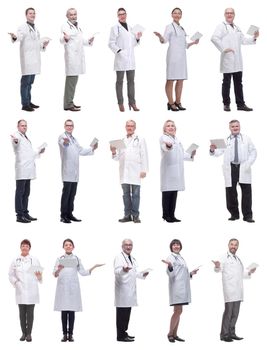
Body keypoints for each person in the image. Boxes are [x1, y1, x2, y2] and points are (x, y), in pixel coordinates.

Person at [53, 238, 104, 342]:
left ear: (73, 247)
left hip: (73, 289)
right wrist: (59, 269)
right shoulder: (59, 258)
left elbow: (83, 272)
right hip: (62, 289)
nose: (68, 246)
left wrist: (94, 267)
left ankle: (71, 334)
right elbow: (54, 274)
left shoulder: (76, 258)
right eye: (66, 245)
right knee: (64, 312)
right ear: (63, 247)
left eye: (70, 245)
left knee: (71, 312)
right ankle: (64, 334)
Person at [211, 8, 259, 112]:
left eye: (231, 13)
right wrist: (224, 48)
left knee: (238, 83)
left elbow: (243, 40)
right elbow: (214, 38)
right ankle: (226, 104)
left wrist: (254, 37)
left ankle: (240, 104)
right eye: (227, 13)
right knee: (226, 83)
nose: (229, 14)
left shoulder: (237, 27)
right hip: (227, 59)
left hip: (237, 60)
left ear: (234, 15)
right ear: (224, 14)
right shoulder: (221, 26)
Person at [210, 120, 257, 222]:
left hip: (243, 167)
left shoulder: (246, 138)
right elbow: (218, 153)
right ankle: (234, 214)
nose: (235, 128)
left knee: (246, 192)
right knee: (231, 192)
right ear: (229, 128)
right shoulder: (225, 140)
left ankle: (248, 216)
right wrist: (213, 150)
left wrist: (248, 163)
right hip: (230, 168)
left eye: (237, 126)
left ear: (240, 127)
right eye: (233, 126)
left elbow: (253, 151)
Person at [154, 7, 199, 111]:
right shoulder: (169, 27)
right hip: (173, 57)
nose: (177, 15)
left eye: (179, 13)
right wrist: (160, 37)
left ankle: (178, 102)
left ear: (181, 16)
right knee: (170, 79)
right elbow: (164, 41)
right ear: (172, 15)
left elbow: (184, 45)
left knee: (180, 80)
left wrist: (193, 43)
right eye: (175, 13)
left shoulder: (182, 28)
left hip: (182, 58)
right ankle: (170, 103)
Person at [212, 238, 256, 342]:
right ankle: (224, 334)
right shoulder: (224, 257)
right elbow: (218, 269)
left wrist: (249, 272)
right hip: (229, 289)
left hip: (238, 290)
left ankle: (232, 333)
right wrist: (217, 266)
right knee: (228, 313)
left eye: (236, 245)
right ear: (228, 245)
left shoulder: (238, 259)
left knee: (235, 313)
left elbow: (241, 275)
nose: (233, 246)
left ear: (238, 247)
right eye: (232, 244)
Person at [8, 8, 50, 111]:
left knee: (30, 82)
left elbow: (37, 44)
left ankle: (28, 101)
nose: (33, 15)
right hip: (27, 59)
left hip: (35, 59)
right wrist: (14, 37)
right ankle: (25, 104)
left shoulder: (36, 29)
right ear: (26, 15)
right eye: (30, 13)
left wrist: (43, 45)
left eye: (34, 13)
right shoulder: (22, 27)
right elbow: (19, 37)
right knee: (25, 82)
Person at [58, 119, 98, 223]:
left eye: (71, 125)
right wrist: (65, 143)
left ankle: (70, 214)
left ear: (73, 127)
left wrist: (92, 148)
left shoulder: (74, 139)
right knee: (66, 194)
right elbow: (64, 144)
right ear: (64, 126)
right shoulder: (62, 137)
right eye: (67, 125)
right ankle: (63, 215)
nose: (69, 127)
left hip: (75, 172)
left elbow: (80, 150)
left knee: (72, 194)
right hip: (67, 171)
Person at [110, 120, 148, 223]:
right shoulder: (121, 141)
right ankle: (127, 215)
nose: (129, 127)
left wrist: (144, 170)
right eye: (128, 126)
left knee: (136, 195)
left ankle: (135, 215)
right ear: (125, 127)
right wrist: (113, 152)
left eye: (131, 126)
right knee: (125, 195)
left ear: (135, 127)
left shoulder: (140, 139)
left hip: (136, 171)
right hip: (124, 172)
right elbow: (117, 158)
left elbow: (144, 154)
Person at [162, 239, 198, 342]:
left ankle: (175, 334)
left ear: (180, 246)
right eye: (174, 245)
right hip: (177, 288)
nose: (176, 246)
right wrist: (169, 266)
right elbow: (171, 274)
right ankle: (170, 334)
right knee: (178, 311)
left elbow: (182, 273)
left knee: (179, 311)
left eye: (178, 245)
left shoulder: (181, 258)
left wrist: (191, 273)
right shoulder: (170, 257)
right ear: (171, 247)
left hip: (183, 288)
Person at [160, 120, 196, 222]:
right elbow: (165, 147)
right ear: (164, 129)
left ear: (175, 128)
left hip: (177, 172)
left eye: (172, 126)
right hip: (168, 171)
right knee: (167, 194)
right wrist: (168, 146)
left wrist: (191, 154)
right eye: (168, 126)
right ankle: (166, 215)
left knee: (174, 194)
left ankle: (172, 215)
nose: (171, 127)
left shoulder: (177, 140)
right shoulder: (163, 138)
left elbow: (182, 155)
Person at [114, 239, 149, 342]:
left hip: (130, 291)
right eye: (126, 245)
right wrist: (123, 270)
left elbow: (133, 273)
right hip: (122, 291)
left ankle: (124, 333)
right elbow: (116, 271)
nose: (128, 247)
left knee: (127, 313)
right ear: (122, 246)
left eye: (130, 245)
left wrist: (142, 274)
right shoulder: (119, 257)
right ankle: (120, 336)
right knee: (121, 314)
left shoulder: (131, 258)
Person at [11, 119, 45, 223]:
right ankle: (19, 215)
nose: (24, 127)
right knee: (20, 192)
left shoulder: (25, 137)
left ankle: (25, 213)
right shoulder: (16, 136)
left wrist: (39, 151)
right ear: (18, 127)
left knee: (26, 193)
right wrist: (15, 141)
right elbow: (15, 144)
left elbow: (29, 154)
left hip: (28, 170)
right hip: (22, 169)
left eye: (25, 126)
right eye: (22, 125)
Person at [108, 8, 142, 112]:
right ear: (117, 16)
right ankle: (120, 103)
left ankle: (132, 103)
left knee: (131, 82)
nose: (122, 16)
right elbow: (111, 43)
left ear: (126, 14)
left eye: (123, 14)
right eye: (120, 14)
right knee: (119, 82)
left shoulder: (131, 28)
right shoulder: (115, 28)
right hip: (120, 59)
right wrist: (119, 51)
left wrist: (137, 38)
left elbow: (133, 44)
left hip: (131, 59)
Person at [9, 239, 42, 342]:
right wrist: (16, 283)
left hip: (32, 291)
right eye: (23, 245)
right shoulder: (15, 260)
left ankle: (29, 334)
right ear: (20, 247)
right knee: (22, 314)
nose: (25, 247)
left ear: (29, 248)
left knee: (30, 314)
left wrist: (39, 275)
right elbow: (10, 274)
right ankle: (23, 333)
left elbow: (39, 276)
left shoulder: (34, 259)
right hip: (20, 291)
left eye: (27, 246)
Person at [61, 8, 94, 111]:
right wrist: (65, 38)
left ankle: (70, 102)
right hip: (72, 57)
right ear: (67, 16)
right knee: (71, 82)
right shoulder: (65, 26)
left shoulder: (77, 26)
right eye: (71, 15)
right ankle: (67, 104)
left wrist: (88, 41)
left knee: (73, 82)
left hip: (77, 57)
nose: (73, 16)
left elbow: (79, 40)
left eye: (75, 14)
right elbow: (62, 39)